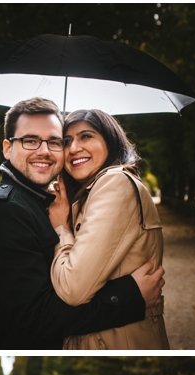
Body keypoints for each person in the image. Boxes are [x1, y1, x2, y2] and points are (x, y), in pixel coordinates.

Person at [0, 97, 165, 349]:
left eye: (54, 142)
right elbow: (38, 317)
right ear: (7, 148)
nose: (45, 151)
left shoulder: (48, 200)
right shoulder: (8, 211)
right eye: (30, 140)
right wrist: (129, 297)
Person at [47, 108, 170, 349]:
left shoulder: (114, 182)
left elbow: (73, 289)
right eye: (66, 141)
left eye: (86, 136)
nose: (73, 149)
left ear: (110, 141)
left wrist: (62, 228)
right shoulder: (86, 194)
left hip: (117, 341)